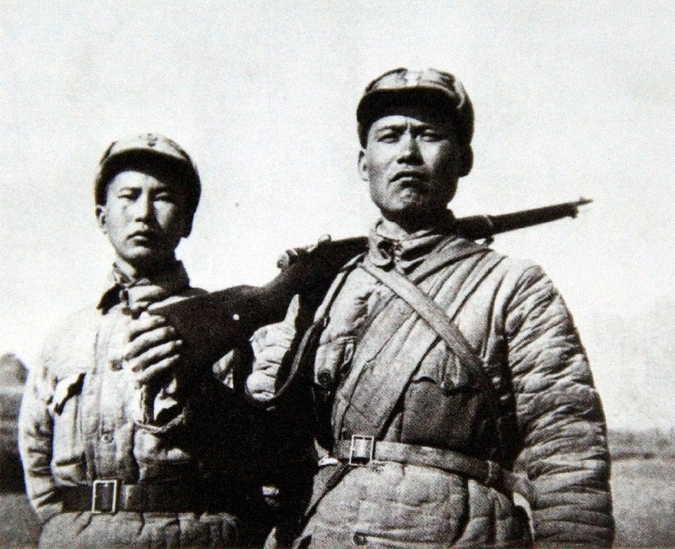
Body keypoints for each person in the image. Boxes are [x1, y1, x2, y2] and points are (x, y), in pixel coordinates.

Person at [244, 68, 615, 547]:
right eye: (390, 136)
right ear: (363, 163)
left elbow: (567, 452)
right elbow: (270, 448)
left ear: (464, 159)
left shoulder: (513, 286)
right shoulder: (323, 287)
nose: (407, 152)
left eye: (429, 135)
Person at [19, 134, 259, 548]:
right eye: (128, 196)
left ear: (186, 221)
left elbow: (256, 452)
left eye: (163, 197)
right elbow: (36, 454)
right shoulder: (65, 337)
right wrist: (69, 529)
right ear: (102, 217)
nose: (144, 213)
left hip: (190, 537)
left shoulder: (225, 324)